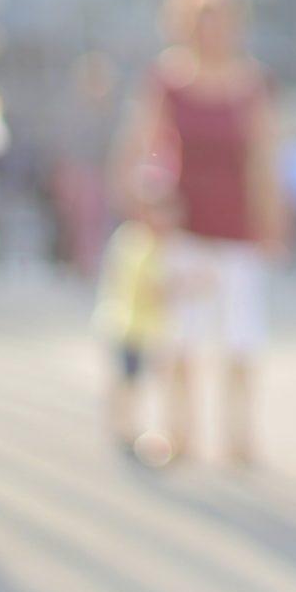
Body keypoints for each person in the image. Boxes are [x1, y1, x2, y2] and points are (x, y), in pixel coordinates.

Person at [115, 0, 286, 465]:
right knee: (180, 339)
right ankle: (179, 432)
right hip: (183, 229)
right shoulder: (166, 80)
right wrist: (147, 201)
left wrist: (271, 222)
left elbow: (264, 159)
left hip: (238, 228)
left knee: (241, 338)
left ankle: (239, 436)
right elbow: (141, 147)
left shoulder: (253, 84)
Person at [94, 165, 177, 462]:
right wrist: (191, 287)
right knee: (129, 382)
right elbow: (153, 288)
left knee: (134, 382)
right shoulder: (140, 243)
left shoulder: (141, 241)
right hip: (129, 327)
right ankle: (123, 428)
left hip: (141, 328)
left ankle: (129, 428)